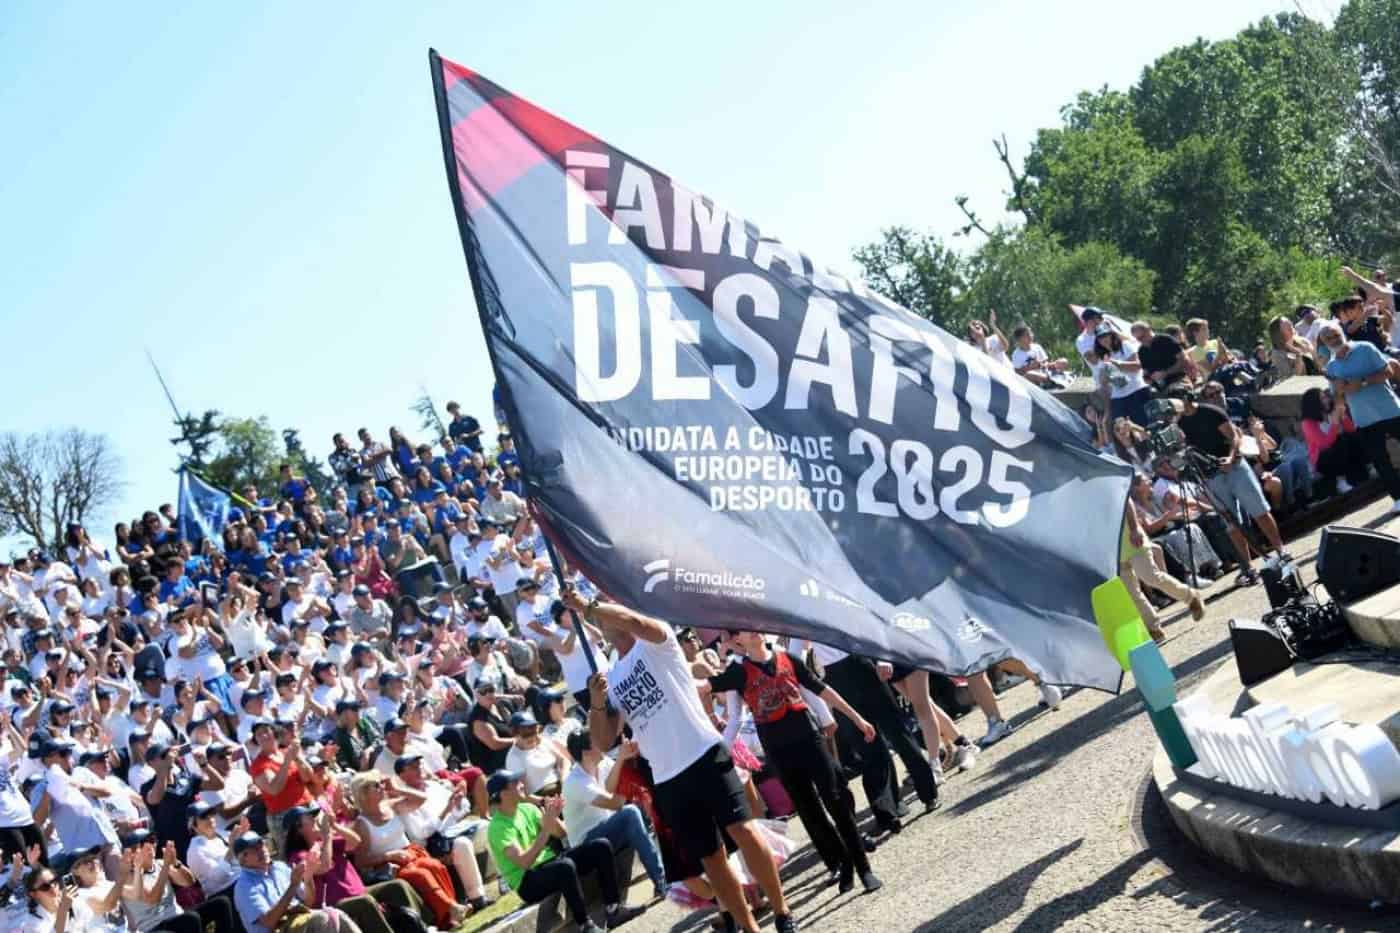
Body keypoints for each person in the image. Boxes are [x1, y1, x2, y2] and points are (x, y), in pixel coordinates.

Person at [571, 589, 797, 933]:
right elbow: (603, 741)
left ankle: (782, 912)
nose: (604, 617)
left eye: (609, 609)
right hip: (667, 778)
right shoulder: (612, 679)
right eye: (601, 616)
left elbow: (633, 621)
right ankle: (750, 928)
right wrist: (598, 703)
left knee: (745, 831)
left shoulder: (656, 640)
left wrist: (587, 606)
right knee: (712, 858)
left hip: (704, 753)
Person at [708, 632, 883, 894]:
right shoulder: (738, 673)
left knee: (835, 800)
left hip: (809, 739)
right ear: (737, 642)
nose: (752, 630)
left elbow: (821, 689)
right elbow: (704, 688)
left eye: (752, 625)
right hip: (778, 751)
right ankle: (843, 863)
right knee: (809, 810)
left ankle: (864, 867)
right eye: (742, 630)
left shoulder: (787, 657)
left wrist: (857, 718)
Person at [485, 770, 644, 933]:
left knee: (600, 846)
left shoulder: (527, 809)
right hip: (527, 881)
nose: (522, 784)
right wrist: (545, 829)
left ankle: (613, 909)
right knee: (565, 866)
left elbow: (561, 833)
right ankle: (585, 925)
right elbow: (524, 862)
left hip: (550, 864)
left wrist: (554, 814)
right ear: (503, 793)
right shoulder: (497, 828)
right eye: (515, 782)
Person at [1172, 389, 1288, 583]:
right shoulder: (1178, 425)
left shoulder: (1211, 412)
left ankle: (1281, 551)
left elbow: (1234, 436)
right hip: (1211, 477)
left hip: (1235, 468)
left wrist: (1231, 458)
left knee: (1259, 511)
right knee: (1232, 525)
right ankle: (1249, 568)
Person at [281, 803, 430, 933]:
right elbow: (324, 866)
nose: (315, 820)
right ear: (298, 828)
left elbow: (355, 842)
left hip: (359, 891)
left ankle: (425, 926)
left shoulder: (324, 842)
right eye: (309, 818)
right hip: (336, 903)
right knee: (365, 902)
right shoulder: (298, 856)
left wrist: (335, 826)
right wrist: (326, 837)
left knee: (397, 886)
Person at [348, 772, 469, 929]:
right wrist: (389, 855)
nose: (382, 787)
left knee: (434, 866)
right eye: (376, 785)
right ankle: (451, 910)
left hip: (412, 854)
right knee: (420, 875)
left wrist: (398, 789)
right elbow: (361, 861)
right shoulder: (361, 824)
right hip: (391, 865)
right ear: (363, 793)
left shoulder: (390, 805)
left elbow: (421, 799)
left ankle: (450, 915)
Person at [561, 733, 667, 898]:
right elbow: (615, 803)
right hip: (587, 845)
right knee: (630, 812)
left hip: (609, 830)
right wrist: (622, 763)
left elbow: (620, 783)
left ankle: (667, 874)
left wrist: (628, 760)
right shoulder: (574, 782)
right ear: (586, 753)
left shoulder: (602, 764)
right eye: (597, 743)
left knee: (642, 806)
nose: (603, 745)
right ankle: (661, 880)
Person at [1319, 320, 1400, 513]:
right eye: (1328, 338)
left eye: (1335, 334)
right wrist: (1338, 392)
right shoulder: (1331, 367)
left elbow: (1388, 371)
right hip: (1363, 419)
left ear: (1341, 332)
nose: (1333, 339)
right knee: (1380, 461)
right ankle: (1398, 498)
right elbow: (1339, 400)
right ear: (1324, 342)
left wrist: (1362, 382)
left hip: (1389, 410)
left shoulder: (1365, 348)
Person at [232, 832, 362, 933]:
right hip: (278, 929)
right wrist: (293, 885)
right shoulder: (243, 886)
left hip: (299, 918)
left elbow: (308, 901)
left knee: (338, 916)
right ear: (243, 860)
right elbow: (269, 922)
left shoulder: (279, 867)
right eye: (254, 849)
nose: (261, 849)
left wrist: (308, 876)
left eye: (261, 844)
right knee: (322, 920)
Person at [121, 830, 238, 933]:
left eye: (152, 840)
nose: (151, 846)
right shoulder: (129, 877)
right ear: (132, 852)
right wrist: (167, 865)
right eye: (144, 844)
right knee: (190, 919)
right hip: (154, 927)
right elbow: (152, 899)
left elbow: (189, 882)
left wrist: (175, 862)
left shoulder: (160, 863)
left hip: (178, 917)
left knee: (221, 903)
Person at [1299, 386, 1369, 495]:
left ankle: (1366, 469)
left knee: (1355, 436)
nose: (1327, 400)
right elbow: (1324, 444)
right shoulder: (1307, 423)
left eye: (1326, 397)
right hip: (1323, 459)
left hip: (1340, 450)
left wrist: (1343, 416)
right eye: (1322, 399)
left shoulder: (1332, 412)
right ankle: (1340, 480)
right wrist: (1335, 424)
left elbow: (1351, 430)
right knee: (1340, 440)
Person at [1093, 323, 1152, 426]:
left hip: (1137, 391)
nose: (1104, 339)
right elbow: (1103, 382)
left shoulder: (1125, 346)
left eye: (1106, 335)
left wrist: (1116, 363)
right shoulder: (1102, 356)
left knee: (1145, 426)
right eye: (1100, 338)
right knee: (1123, 430)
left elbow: (1137, 366)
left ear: (1112, 335)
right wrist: (1107, 369)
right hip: (1118, 397)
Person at [1267, 316, 1318, 380]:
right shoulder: (1277, 354)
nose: (1290, 325)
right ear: (1278, 333)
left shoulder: (1303, 341)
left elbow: (1317, 362)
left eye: (1289, 323)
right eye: (1286, 326)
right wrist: (1298, 356)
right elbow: (1292, 378)